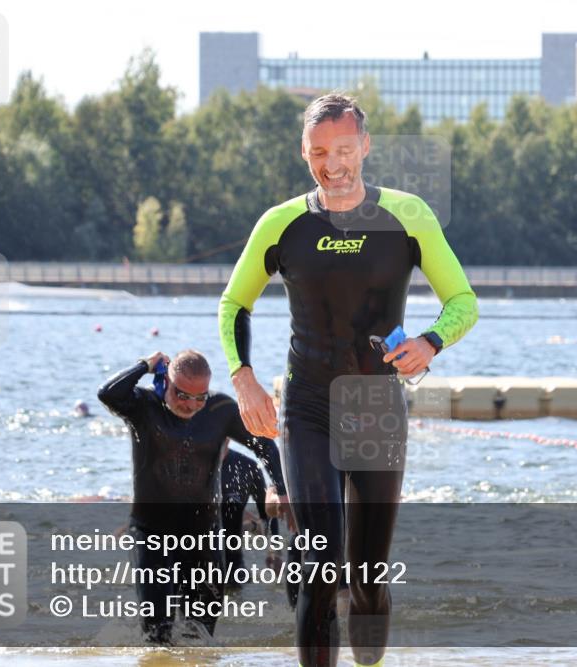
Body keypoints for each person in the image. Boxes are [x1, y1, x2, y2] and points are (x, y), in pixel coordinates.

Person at [218, 93, 478, 667]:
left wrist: (430, 340)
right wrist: (244, 378)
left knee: (367, 577)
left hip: (377, 408)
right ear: (303, 152)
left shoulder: (408, 217)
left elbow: (462, 300)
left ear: (364, 146)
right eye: (318, 152)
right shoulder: (282, 223)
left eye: (342, 150)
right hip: (307, 408)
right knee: (320, 566)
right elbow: (235, 304)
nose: (332, 164)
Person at [97, 349, 288, 644]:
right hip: (151, 534)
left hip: (203, 537)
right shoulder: (144, 406)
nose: (190, 404)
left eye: (199, 397)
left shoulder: (220, 410)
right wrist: (145, 365)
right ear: (165, 383)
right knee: (156, 631)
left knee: (200, 636)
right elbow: (108, 393)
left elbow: (265, 446)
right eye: (182, 394)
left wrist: (281, 490)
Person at [220, 438, 278, 588]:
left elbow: (268, 516)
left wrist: (274, 552)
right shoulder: (188, 461)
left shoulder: (247, 466)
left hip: (233, 567)